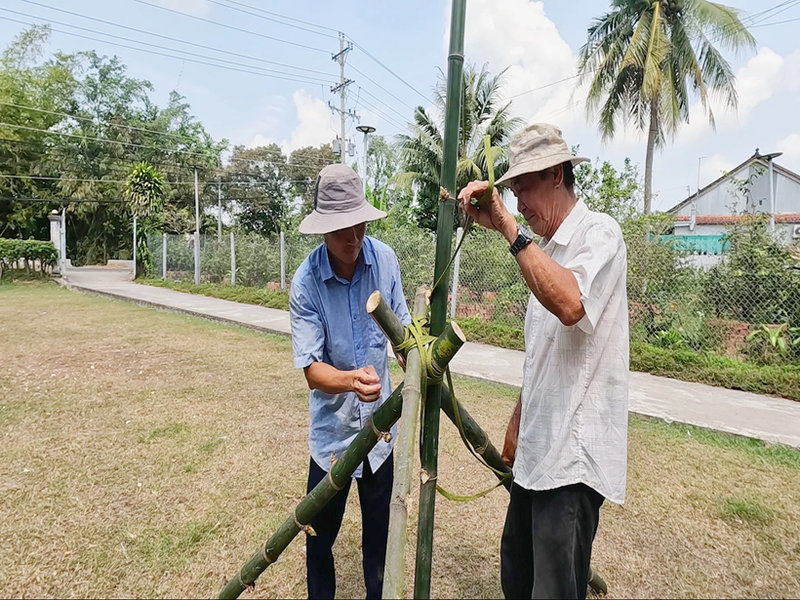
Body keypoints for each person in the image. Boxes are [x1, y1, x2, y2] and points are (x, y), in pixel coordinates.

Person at [458, 123, 629, 599]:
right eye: (511, 194)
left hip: (572, 462)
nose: (519, 206)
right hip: (539, 450)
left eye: (524, 189)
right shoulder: (544, 250)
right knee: (516, 571)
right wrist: (518, 420)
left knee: (553, 590)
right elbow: (545, 356)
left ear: (556, 174)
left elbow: (571, 304)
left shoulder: (600, 234)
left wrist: (510, 232)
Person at [289, 163, 411, 600]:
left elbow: (403, 331)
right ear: (323, 229)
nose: (353, 237)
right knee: (319, 541)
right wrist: (349, 381)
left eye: (359, 224)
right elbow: (310, 370)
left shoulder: (386, 260)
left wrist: (410, 351)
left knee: (379, 543)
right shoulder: (306, 283)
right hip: (333, 443)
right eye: (342, 229)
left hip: (380, 435)